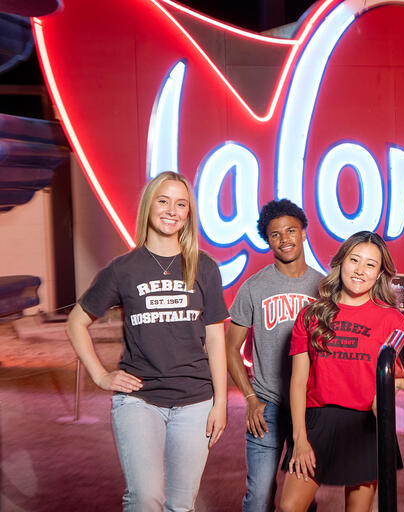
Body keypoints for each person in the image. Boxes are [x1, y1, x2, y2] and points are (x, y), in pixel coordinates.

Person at [66, 171, 229, 511]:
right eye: (164, 201)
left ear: (188, 214)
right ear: (149, 206)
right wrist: (100, 375)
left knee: (181, 504)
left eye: (181, 204)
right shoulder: (123, 269)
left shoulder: (204, 267)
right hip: (139, 401)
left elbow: (215, 338)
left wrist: (221, 404)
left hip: (195, 402)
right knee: (145, 498)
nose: (172, 210)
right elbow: (76, 322)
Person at [279, 231, 404, 512]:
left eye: (370, 265)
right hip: (317, 421)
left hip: (366, 426)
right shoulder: (312, 314)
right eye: (354, 260)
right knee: (289, 507)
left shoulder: (390, 319)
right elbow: (298, 382)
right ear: (341, 263)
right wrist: (299, 438)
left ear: (379, 274)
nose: (360, 271)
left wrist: (387, 386)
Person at [226, 199, 324, 512]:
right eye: (275, 235)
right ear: (267, 240)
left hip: (310, 408)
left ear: (304, 232)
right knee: (258, 499)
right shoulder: (253, 287)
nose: (285, 239)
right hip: (267, 406)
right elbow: (231, 348)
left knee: (300, 498)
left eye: (291, 230)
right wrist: (251, 398)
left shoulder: (324, 287)